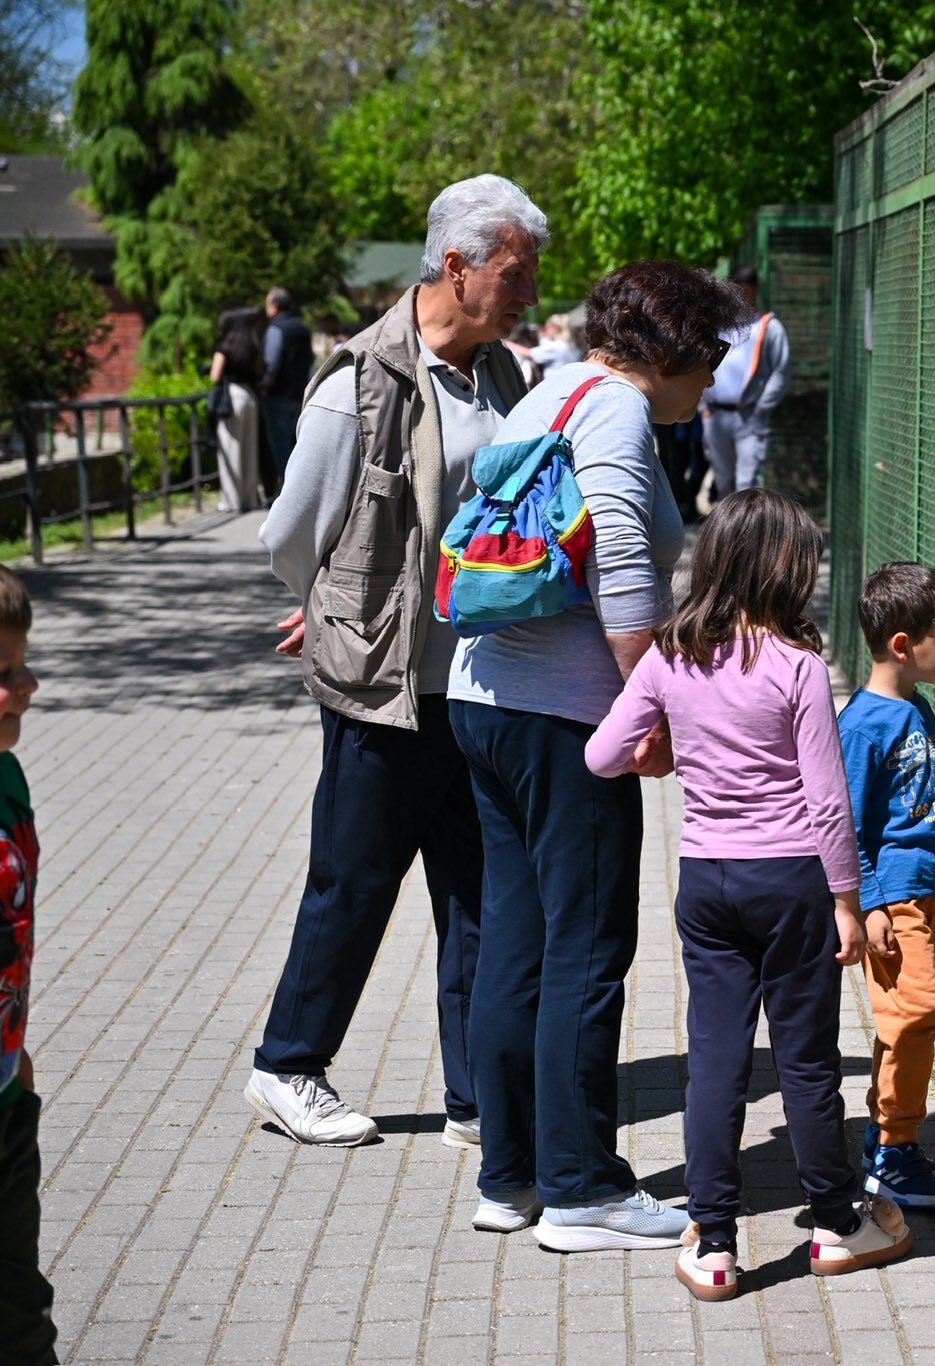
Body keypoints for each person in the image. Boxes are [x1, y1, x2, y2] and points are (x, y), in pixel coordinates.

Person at [447, 259, 748, 1252]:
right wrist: (650, 712)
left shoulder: (547, 392)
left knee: (515, 942)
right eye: (709, 355)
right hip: (565, 719)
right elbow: (620, 563)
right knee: (585, 947)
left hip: (486, 699)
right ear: (672, 346)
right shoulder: (615, 410)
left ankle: (511, 1177)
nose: (713, 376)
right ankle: (580, 1189)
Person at [247, 174, 545, 1149]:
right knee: (353, 882)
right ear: (455, 266)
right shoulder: (360, 382)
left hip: (477, 685)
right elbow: (290, 533)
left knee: (476, 895)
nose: (530, 291)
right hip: (385, 687)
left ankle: (477, 1097)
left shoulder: (501, 376)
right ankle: (288, 1066)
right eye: (515, 272)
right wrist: (332, 603)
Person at [586, 489, 914, 1300]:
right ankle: (835, 1224)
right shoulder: (797, 666)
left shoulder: (668, 656)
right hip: (793, 880)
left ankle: (714, 1242)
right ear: (783, 570)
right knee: (805, 1061)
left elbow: (601, 756)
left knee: (715, 1062)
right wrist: (846, 899)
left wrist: (662, 750)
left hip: (707, 880)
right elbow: (827, 798)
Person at [838, 562, 935, 1209]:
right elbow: (844, 823)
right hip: (892, 898)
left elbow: (919, 806)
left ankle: (885, 1138)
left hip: (928, 887)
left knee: (916, 1014)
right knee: (915, 1011)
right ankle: (893, 1150)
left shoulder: (916, 709)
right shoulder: (864, 725)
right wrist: (867, 903)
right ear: (903, 645)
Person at [0, 569, 52, 1365]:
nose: (27, 686)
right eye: (2, 674)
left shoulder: (6, 778)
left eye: (20, 663)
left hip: (5, 1098)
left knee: (19, 1312)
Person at [700, 266, 788, 498]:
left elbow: (780, 371)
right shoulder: (716, 325)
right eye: (736, 290)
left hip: (750, 416)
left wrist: (761, 408)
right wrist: (703, 407)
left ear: (756, 290)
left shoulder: (768, 326)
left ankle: (745, 523)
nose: (741, 296)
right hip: (715, 415)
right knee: (723, 481)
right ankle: (726, 522)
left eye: (746, 290)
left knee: (746, 484)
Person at [209, 307, 267, 513]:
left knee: (231, 448)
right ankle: (250, 499)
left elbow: (215, 376)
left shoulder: (225, 346)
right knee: (250, 450)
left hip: (232, 398)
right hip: (250, 397)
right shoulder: (253, 345)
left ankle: (231, 500)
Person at [261, 287, 316, 475]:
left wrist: (265, 386)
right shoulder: (302, 328)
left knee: (281, 445)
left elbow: (271, 363)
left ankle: (286, 484)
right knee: (297, 443)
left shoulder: (276, 329)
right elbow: (309, 359)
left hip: (278, 394)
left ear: (274, 305)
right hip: (299, 393)